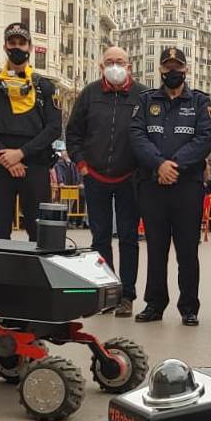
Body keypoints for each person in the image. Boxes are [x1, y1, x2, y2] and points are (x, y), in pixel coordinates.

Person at [129, 46, 211, 326]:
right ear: (161, 69)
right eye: (168, 66)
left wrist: (173, 165)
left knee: (188, 250)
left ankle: (189, 307)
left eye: (178, 66)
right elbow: (137, 136)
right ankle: (154, 303)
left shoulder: (200, 102)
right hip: (153, 185)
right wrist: (158, 165)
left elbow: (203, 139)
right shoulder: (145, 101)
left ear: (186, 69)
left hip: (187, 186)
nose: (173, 71)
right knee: (156, 248)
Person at [65, 46, 144, 316]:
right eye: (109, 62)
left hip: (129, 178)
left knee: (128, 237)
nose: (115, 66)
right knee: (99, 237)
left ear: (129, 65)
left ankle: (127, 295)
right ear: (101, 67)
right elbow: (73, 132)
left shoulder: (141, 95)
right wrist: (82, 164)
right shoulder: (89, 93)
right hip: (96, 176)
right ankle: (107, 292)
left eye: (120, 62)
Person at [0, 22, 62, 240]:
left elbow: (53, 128)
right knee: (0, 231)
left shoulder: (44, 86)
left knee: (38, 232)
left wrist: (20, 154)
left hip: (35, 165)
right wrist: (6, 155)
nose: (17, 48)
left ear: (30, 47)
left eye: (22, 43)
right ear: (5, 46)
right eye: (12, 43)